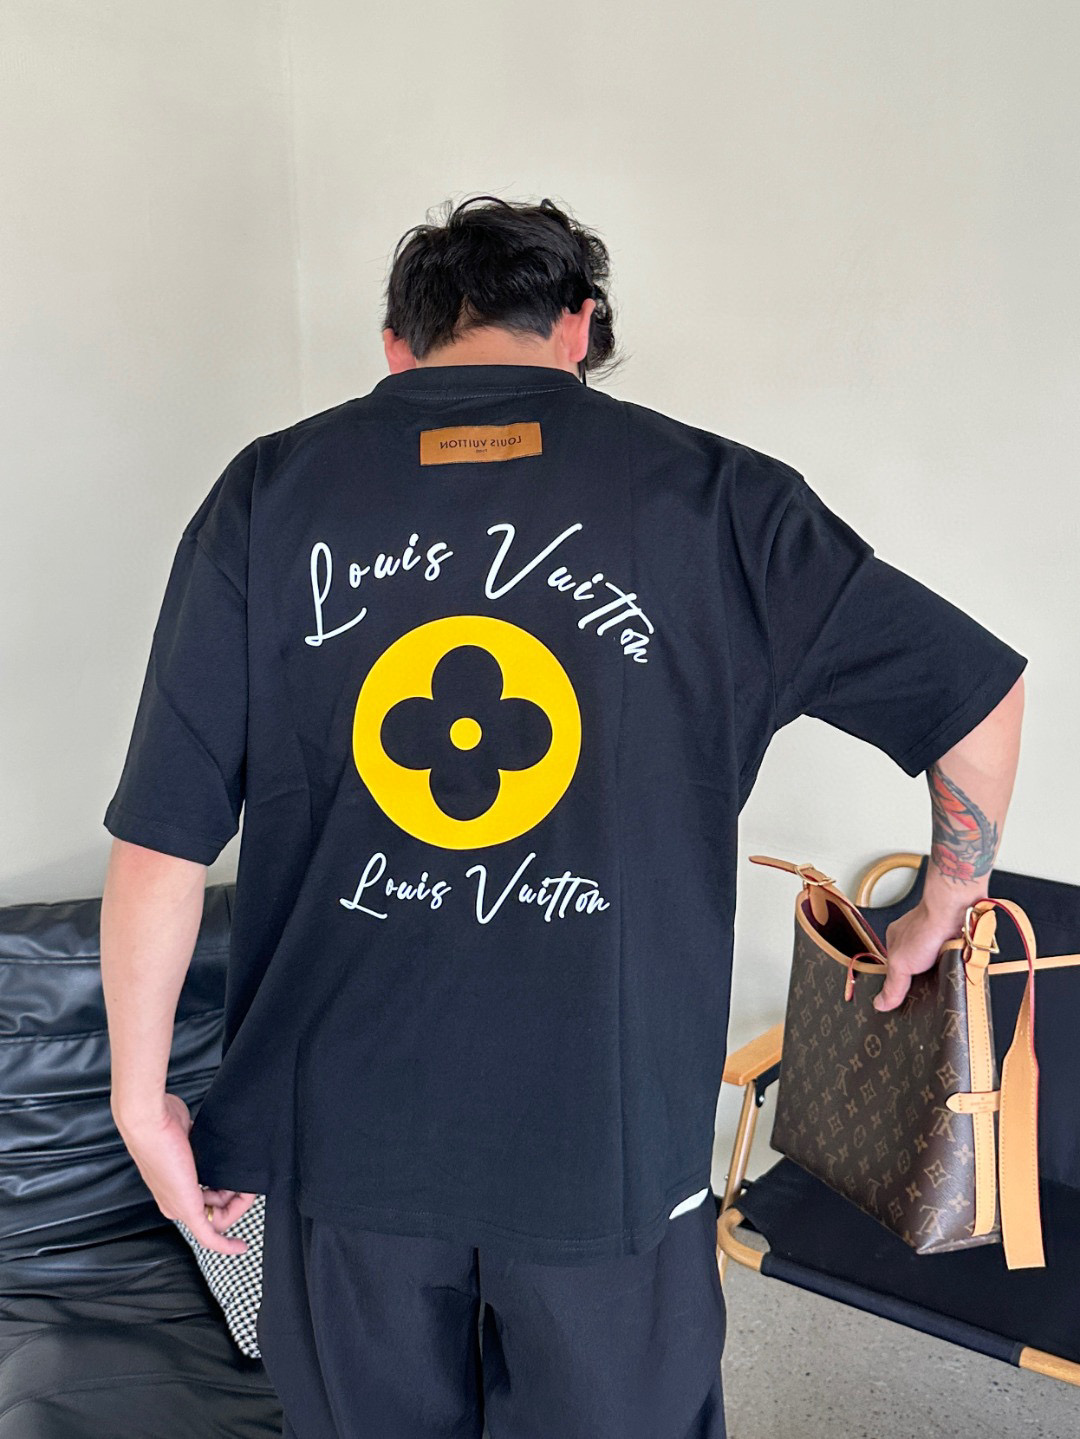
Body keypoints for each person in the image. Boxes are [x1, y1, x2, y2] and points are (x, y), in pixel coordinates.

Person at [100, 194, 1027, 1438]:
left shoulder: (267, 493)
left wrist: (141, 1099)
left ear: (397, 344)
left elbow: (161, 838)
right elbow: (977, 694)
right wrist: (944, 897)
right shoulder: (723, 499)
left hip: (340, 1142)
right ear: (581, 327)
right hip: (612, 1145)